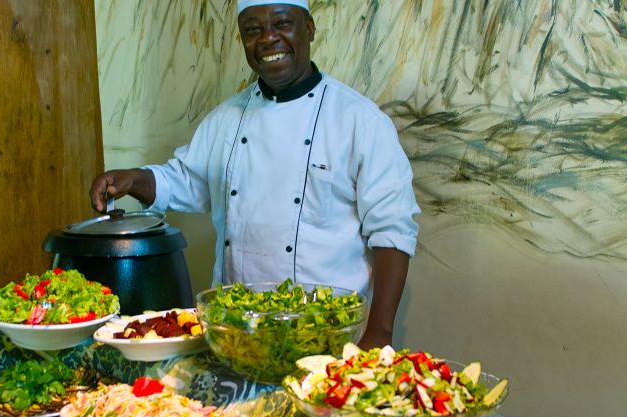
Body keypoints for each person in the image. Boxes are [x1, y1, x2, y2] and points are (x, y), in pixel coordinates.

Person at [90, 0, 420, 349]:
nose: (268, 38)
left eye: (282, 24)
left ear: (309, 28)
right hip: (235, 334)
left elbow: (392, 231)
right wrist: (133, 179)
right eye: (253, 29)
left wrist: (380, 332)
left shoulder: (360, 120)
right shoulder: (225, 119)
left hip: (327, 337)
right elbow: (187, 180)